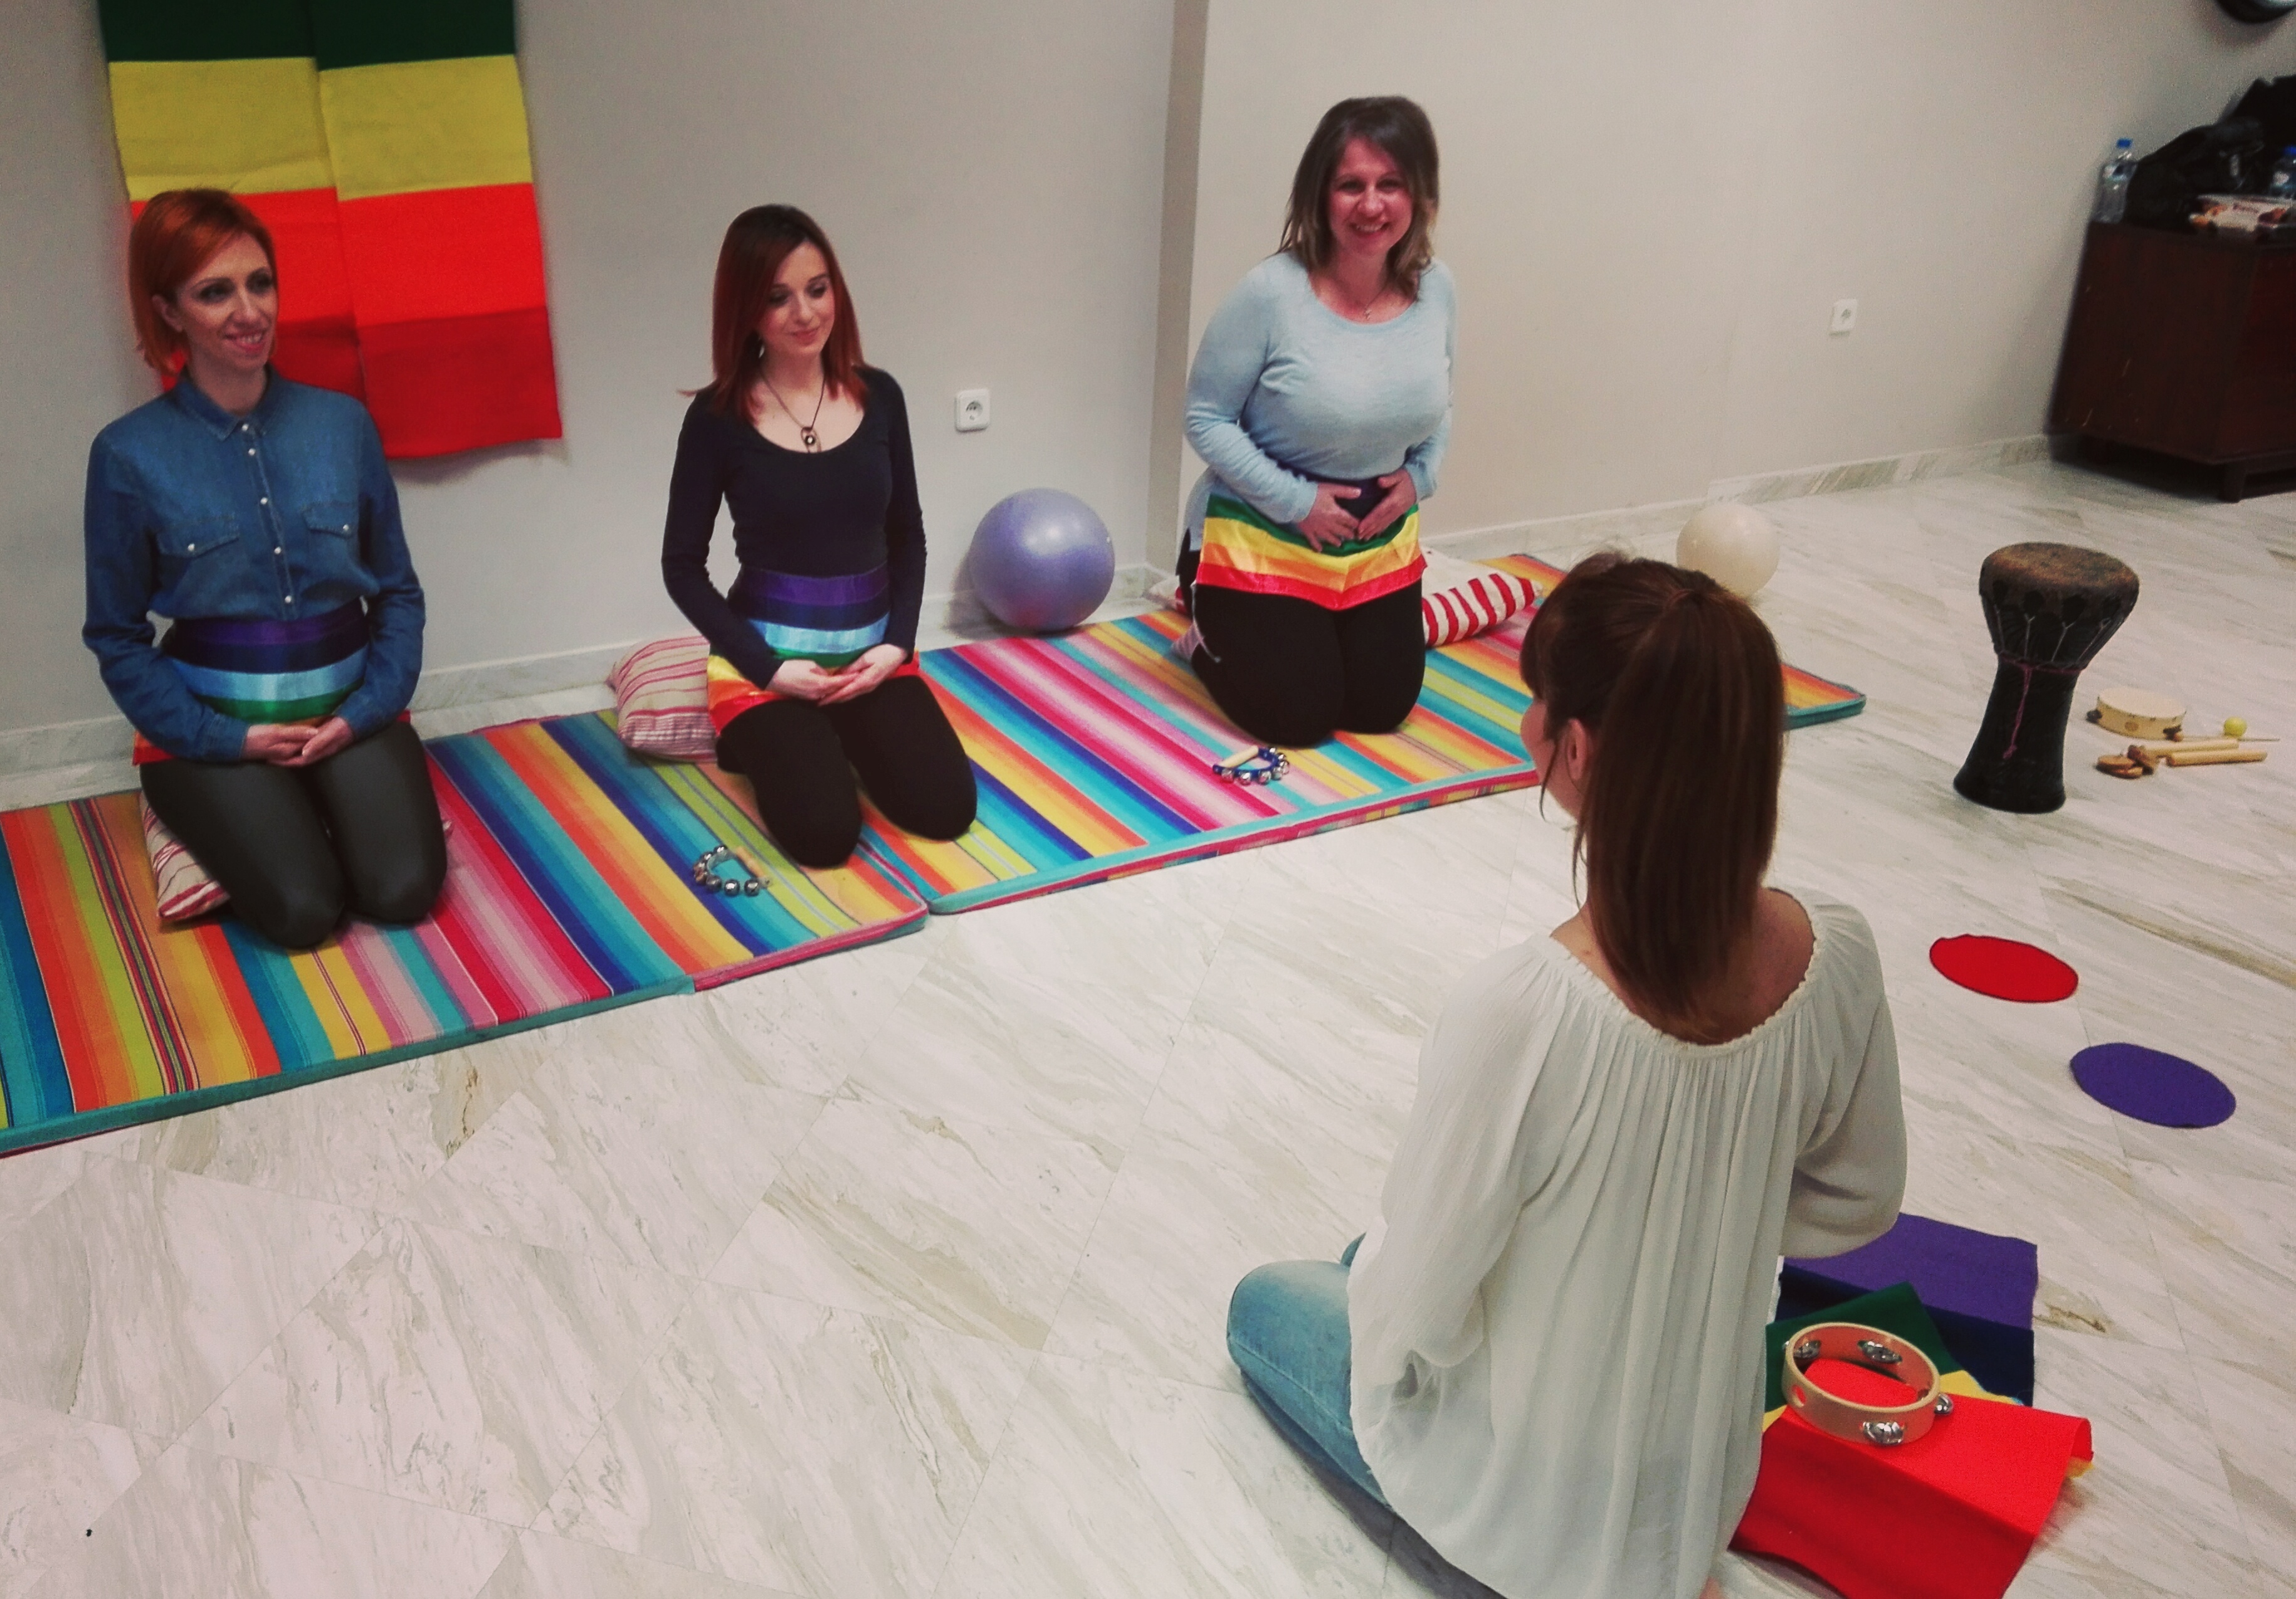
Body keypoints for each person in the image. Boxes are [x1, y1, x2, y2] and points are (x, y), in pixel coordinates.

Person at [1225, 555, 1907, 1598]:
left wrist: (1410, 1317)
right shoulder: (1835, 950)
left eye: (1535, 701)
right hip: (1692, 1488)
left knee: (1271, 1301)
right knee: (1384, 1253)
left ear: (1576, 750)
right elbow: (1860, 1198)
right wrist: (1699, 1219)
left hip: (1533, 1521)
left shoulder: (1525, 1007)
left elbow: (1422, 1311)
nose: (1525, 723)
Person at [84, 189, 443, 949]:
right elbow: (116, 635)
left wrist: (366, 709)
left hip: (348, 712)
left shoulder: (342, 425)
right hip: (214, 731)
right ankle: (237, 805)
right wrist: (223, 740)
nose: (249, 312)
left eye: (260, 283)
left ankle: (313, 799)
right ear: (169, 311)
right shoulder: (127, 454)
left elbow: (398, 593)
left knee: (402, 891)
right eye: (215, 292)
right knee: (303, 913)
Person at [661, 206, 975, 868]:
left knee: (945, 811)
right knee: (824, 837)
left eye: (817, 288)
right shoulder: (716, 418)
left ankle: (839, 732)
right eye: (777, 298)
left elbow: (907, 534)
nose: (804, 313)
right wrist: (768, 669)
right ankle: (757, 736)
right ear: (745, 310)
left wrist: (896, 645)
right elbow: (681, 566)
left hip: (872, 659)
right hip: (768, 669)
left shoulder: (881, 396)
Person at [1179, 96, 1455, 747]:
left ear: (1420, 196)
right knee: (1299, 718)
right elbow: (1205, 418)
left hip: (1373, 541)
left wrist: (1421, 478)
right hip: (1260, 531)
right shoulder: (1268, 293)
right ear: (1319, 195)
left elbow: (1443, 400)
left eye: (1391, 184)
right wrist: (1296, 501)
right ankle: (1202, 637)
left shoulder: (1438, 287)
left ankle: (1317, 632)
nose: (1371, 205)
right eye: (1350, 185)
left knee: (1380, 706)